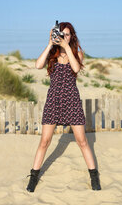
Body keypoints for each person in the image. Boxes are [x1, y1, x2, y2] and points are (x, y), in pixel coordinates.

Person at [26, 22, 101, 192]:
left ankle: (94, 176)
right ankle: (33, 177)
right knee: (44, 141)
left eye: (67, 34)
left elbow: (75, 68)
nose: (64, 37)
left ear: (72, 36)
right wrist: (49, 44)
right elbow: (38, 65)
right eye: (61, 34)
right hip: (53, 100)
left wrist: (67, 47)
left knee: (82, 142)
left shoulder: (77, 54)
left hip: (72, 100)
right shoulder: (52, 54)